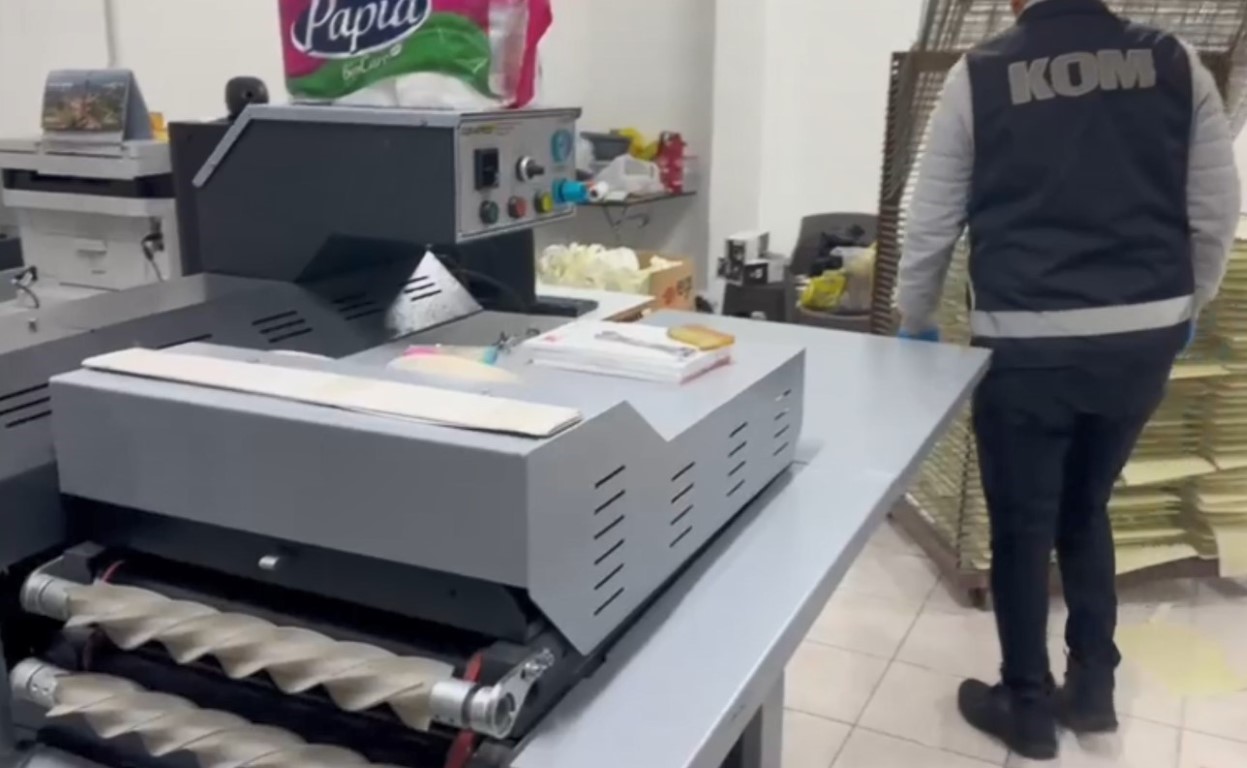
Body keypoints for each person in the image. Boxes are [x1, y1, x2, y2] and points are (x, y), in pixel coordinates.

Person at [895, 0, 1241, 760]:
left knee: (1023, 526)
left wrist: (915, 315)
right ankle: (1092, 688)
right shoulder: (1177, 63)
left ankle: (1025, 703)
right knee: (1086, 505)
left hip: (1027, 342)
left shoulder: (980, 74)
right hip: (1140, 340)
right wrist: (1190, 304)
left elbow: (931, 218)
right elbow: (1215, 211)